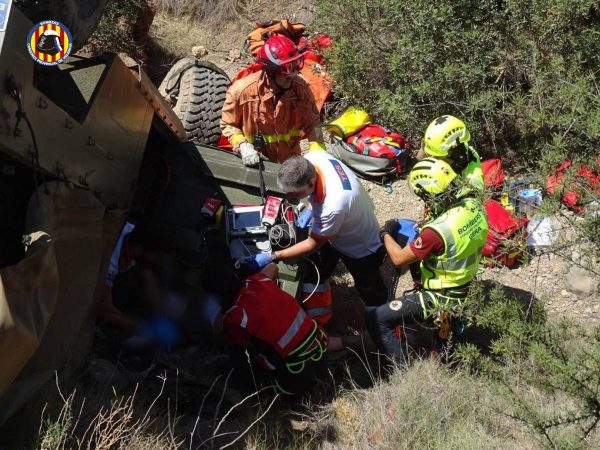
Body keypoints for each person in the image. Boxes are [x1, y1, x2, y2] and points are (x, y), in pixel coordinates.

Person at [237, 151, 388, 325]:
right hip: (339, 230)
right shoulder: (314, 158)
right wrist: (311, 208)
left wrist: (272, 256)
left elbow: (312, 243)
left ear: (310, 182)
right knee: (316, 270)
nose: (291, 198)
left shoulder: (333, 205)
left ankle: (385, 325)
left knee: (371, 289)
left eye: (295, 194)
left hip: (360, 247)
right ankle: (322, 319)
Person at [367, 158, 488, 366]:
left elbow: (398, 259)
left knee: (377, 319)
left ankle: (403, 371)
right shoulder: (474, 205)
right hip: (465, 285)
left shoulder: (436, 232)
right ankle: (442, 347)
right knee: (444, 349)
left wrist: (386, 232)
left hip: (442, 296)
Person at [213, 263, 329, 396]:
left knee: (238, 350)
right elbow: (273, 267)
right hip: (321, 354)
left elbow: (238, 343)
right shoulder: (257, 280)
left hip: (295, 376)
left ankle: (251, 389)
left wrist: (220, 325)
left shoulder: (234, 319)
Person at [220, 34, 326, 165]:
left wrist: (318, 152)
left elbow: (313, 124)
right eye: (287, 68)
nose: (293, 75)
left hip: (289, 164)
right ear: (270, 71)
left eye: (295, 65)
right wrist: (242, 144)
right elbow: (228, 124)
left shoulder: (300, 89)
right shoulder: (241, 91)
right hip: (258, 163)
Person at [418, 115, 485, 194]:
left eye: (439, 156)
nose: (435, 157)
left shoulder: (470, 161)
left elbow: (475, 187)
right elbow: (421, 158)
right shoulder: (433, 145)